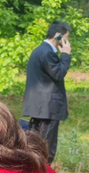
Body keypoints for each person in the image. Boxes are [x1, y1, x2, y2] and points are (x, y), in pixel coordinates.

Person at [22, 21, 72, 162]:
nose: (67, 42)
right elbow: (59, 73)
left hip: (40, 108)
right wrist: (66, 55)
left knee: (37, 146)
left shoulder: (40, 50)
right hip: (47, 109)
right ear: (58, 36)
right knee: (46, 148)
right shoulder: (47, 52)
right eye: (65, 38)